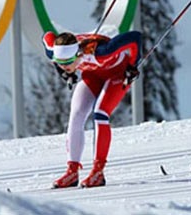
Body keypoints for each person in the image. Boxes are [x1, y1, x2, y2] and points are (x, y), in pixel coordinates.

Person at [42, 30, 142, 188]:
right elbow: (47, 36)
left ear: (77, 55)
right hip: (93, 75)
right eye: (60, 63)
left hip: (117, 73)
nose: (64, 66)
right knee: (76, 115)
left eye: (68, 63)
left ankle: (98, 172)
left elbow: (135, 37)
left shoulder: (101, 52)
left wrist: (133, 65)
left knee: (100, 113)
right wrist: (62, 70)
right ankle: (72, 171)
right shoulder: (55, 51)